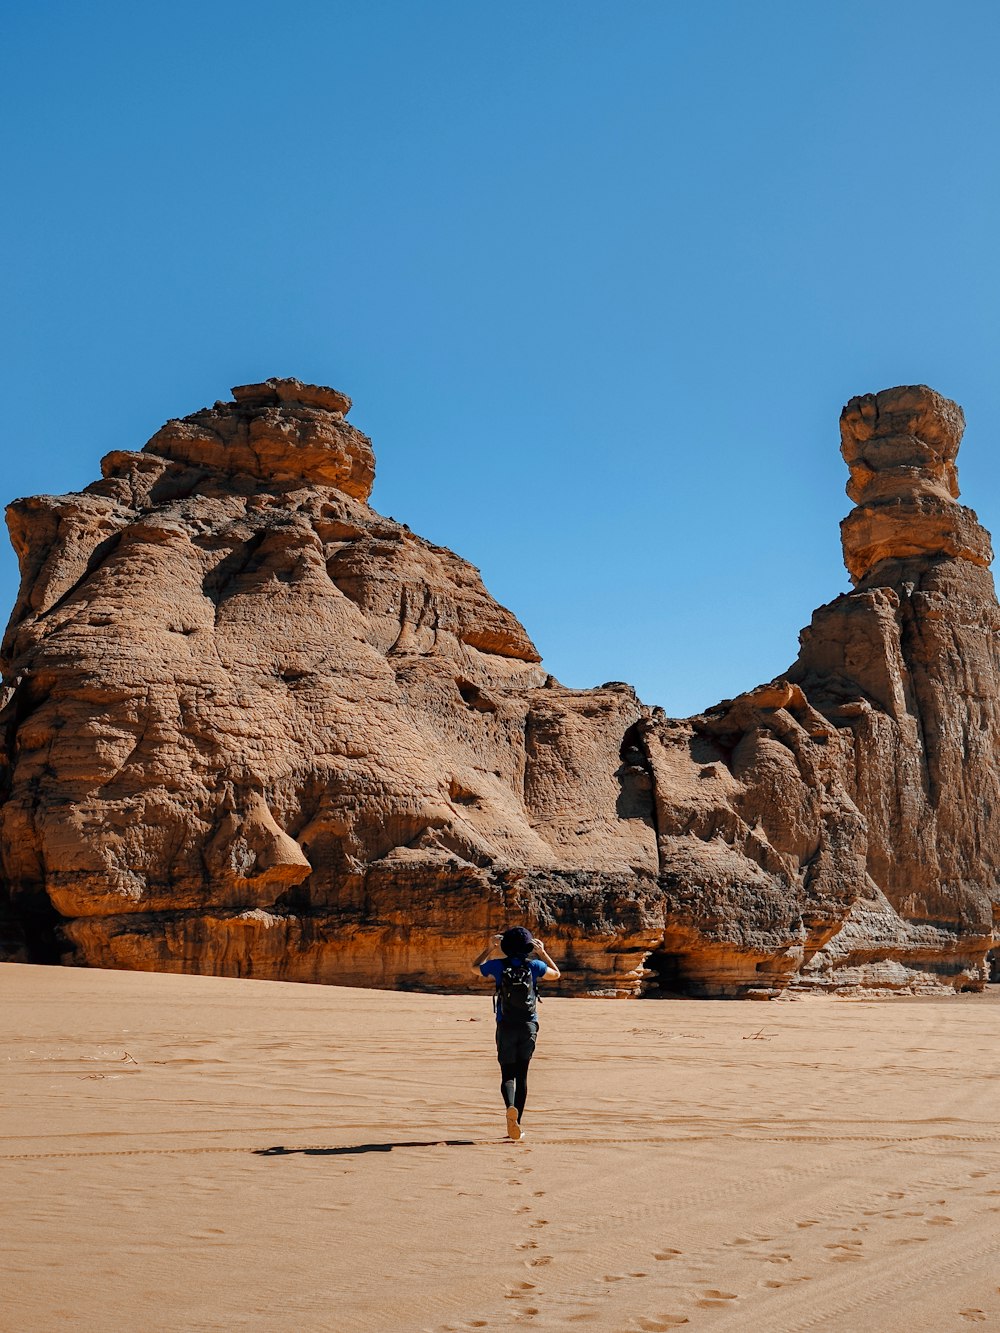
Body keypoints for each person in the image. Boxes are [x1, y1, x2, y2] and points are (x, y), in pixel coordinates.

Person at [472, 926, 561, 1141]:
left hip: (506, 1026)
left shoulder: (498, 966)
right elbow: (556, 974)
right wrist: (543, 953)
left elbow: (475, 968)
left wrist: (489, 948)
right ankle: (517, 1122)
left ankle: (510, 1107)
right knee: (522, 1075)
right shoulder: (535, 966)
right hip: (529, 1025)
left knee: (507, 1074)